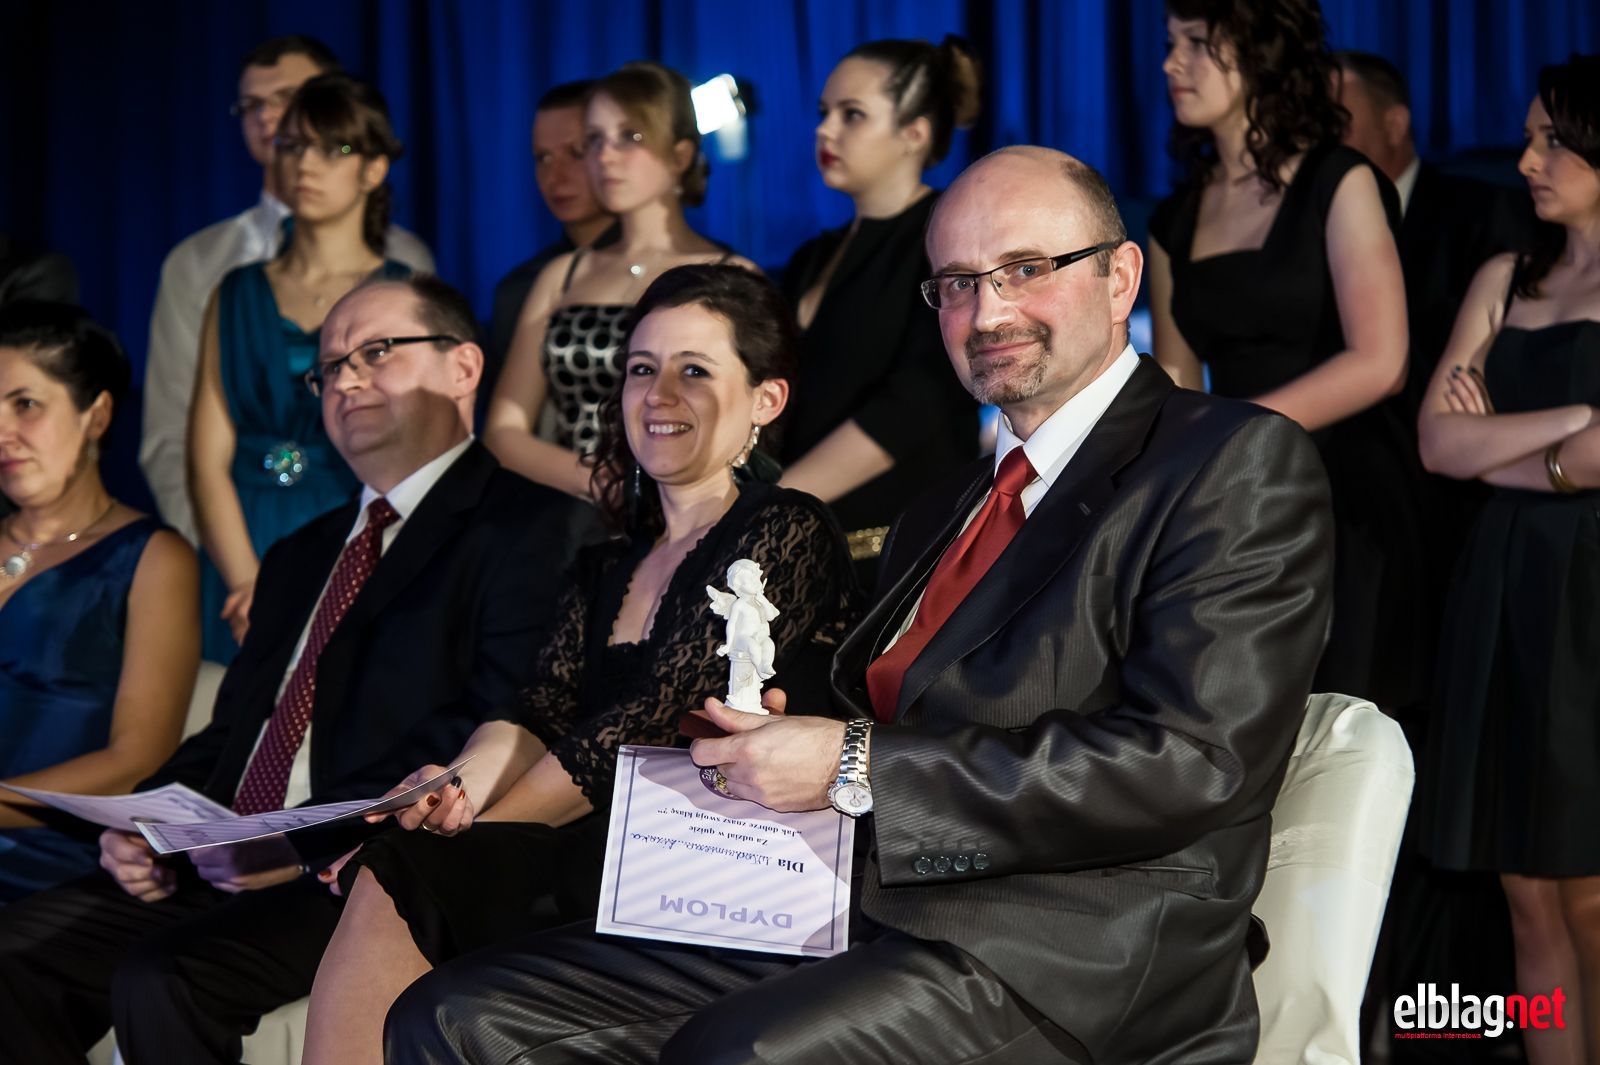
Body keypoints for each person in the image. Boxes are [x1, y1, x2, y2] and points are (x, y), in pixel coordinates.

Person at [381, 146, 1335, 1065]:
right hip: (853, 909)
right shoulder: (942, 508)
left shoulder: (1229, 460)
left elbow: (1194, 762)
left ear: (1120, 277)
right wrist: (782, 740)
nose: (987, 310)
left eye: (1025, 269)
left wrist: (853, 762)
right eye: (956, 283)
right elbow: (901, 719)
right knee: (458, 1016)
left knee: (736, 1052)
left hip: (1077, 951)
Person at [0, 275, 589, 1064]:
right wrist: (144, 828)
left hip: (364, 863)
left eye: (377, 351)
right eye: (330, 366)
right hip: (222, 853)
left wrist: (298, 842)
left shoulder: (535, 527)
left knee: (165, 976)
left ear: (463, 368)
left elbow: (496, 721)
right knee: (13, 958)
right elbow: (233, 732)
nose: (345, 378)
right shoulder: (299, 553)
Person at [300, 264, 858, 1065]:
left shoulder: (786, 526)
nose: (659, 394)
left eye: (695, 371)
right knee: (406, 851)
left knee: (413, 864)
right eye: (642, 368)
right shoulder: (606, 561)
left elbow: (650, 718)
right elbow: (536, 711)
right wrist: (453, 792)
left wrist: (477, 832)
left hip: (714, 872)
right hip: (591, 846)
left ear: (765, 400)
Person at [1147, 0, 1423, 711]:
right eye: (1171, 43)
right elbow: (1179, 381)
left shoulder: (1340, 179)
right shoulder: (1175, 217)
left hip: (1346, 490)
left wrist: (1232, 436)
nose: (1172, 63)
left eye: (1196, 43)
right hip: (1237, 493)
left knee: (1346, 717)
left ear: (1261, 53)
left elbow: (1382, 360)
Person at [1417, 54, 1600, 1065]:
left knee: (1590, 894)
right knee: (1525, 891)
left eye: (1553, 141)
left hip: (1591, 595)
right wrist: (1573, 427)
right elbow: (1438, 443)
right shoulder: (1504, 275)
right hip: (1503, 583)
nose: (1527, 160)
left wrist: (1500, 447)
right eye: (1529, 138)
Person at [141, 35, 433, 547]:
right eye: (252, 105)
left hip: (361, 525)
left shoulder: (404, 270)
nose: (270, 118)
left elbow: (423, 430)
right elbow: (172, 435)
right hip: (235, 533)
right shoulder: (204, 266)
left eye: (288, 98)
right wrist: (219, 560)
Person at [189, 72, 417, 664]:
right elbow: (206, 459)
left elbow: (416, 454)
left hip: (356, 527)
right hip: (243, 534)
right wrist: (247, 582)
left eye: (333, 148)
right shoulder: (235, 292)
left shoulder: (404, 296)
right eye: (292, 146)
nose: (306, 165)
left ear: (374, 168)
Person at [0, 303, 198, 902]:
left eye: (24, 405)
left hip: (66, 865)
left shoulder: (152, 557)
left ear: (98, 414)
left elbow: (137, 758)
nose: (2, 432)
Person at [486, 61, 757, 500]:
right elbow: (504, 430)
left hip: (693, 507)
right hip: (574, 509)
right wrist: (600, 481)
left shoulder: (731, 274)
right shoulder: (564, 274)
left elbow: (752, 416)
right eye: (595, 140)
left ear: (680, 155)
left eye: (630, 137)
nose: (605, 156)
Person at [778, 38, 982, 583]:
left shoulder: (948, 243)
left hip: (904, 556)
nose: (825, 130)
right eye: (823, 112)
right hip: (801, 544)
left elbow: (918, 399)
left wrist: (773, 501)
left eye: (852, 115)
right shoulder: (810, 257)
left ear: (914, 134)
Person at [485, 80, 620, 400]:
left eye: (576, 153)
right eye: (543, 158)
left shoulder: (685, 267)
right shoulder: (521, 288)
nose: (556, 176)